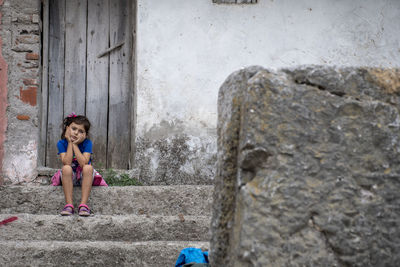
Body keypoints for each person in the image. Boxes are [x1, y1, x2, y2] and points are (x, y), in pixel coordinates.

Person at [52, 113, 107, 216]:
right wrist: (69, 143)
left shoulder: (87, 143)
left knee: (88, 168)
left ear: (85, 134)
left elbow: (83, 163)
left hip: (84, 176)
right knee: (66, 168)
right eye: (74, 129)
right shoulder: (61, 143)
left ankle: (83, 205)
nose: (76, 133)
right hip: (70, 177)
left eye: (81, 131)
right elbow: (67, 162)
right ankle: (69, 205)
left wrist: (75, 145)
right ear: (67, 128)